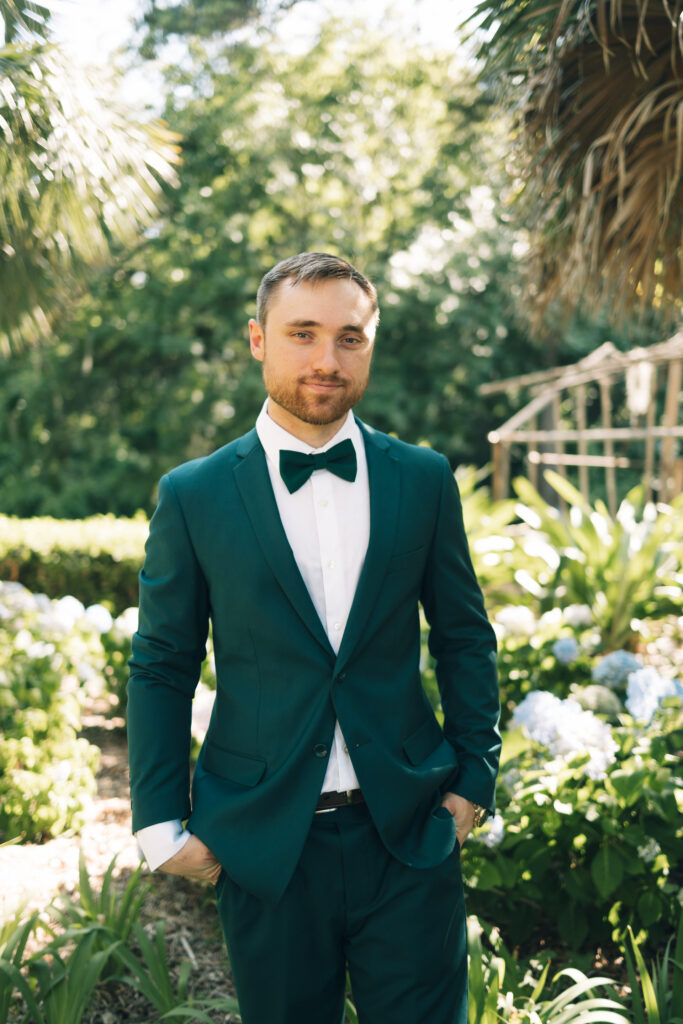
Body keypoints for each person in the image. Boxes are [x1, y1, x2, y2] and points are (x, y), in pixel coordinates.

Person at [127, 251, 500, 1024]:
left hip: (407, 832)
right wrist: (159, 823)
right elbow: (163, 665)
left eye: (349, 338)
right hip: (265, 847)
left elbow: (464, 635)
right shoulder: (193, 494)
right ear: (258, 339)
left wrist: (473, 781)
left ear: (371, 343)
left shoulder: (422, 478)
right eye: (303, 333)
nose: (327, 360)